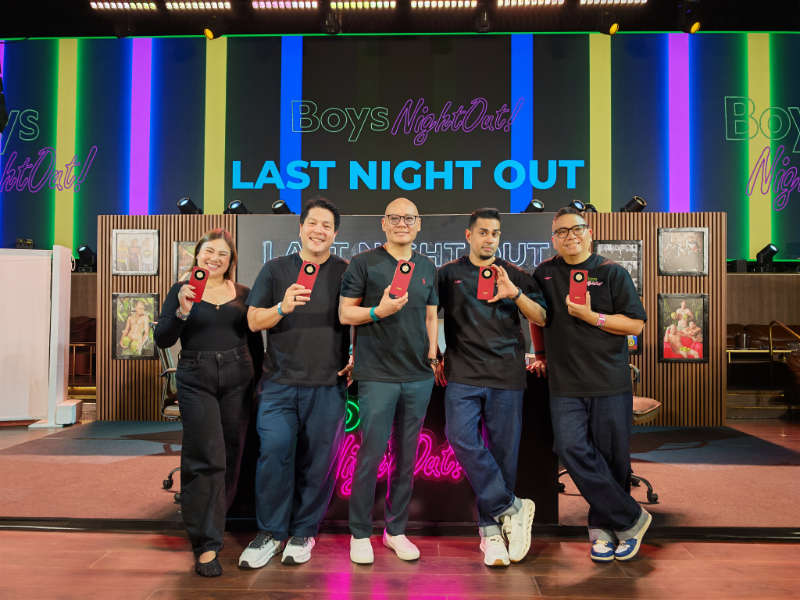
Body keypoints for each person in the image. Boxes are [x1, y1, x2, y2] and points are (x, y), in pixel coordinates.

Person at [531, 206, 650, 563]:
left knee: (612, 458)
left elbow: (635, 325)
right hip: (565, 383)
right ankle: (631, 519)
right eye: (561, 232)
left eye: (576, 229)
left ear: (589, 232)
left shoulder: (612, 272)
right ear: (554, 239)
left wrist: (591, 316)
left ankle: (603, 530)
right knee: (570, 448)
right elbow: (538, 317)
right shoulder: (544, 273)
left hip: (608, 381)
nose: (570, 236)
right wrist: (540, 353)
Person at [238, 197, 352, 569]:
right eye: (312, 223)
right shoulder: (275, 269)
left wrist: (358, 355)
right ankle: (270, 533)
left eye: (327, 226)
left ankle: (304, 532)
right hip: (278, 385)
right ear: (300, 228)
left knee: (318, 464)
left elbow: (359, 319)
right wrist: (282, 307)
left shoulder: (347, 272)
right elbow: (253, 321)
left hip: (328, 385)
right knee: (273, 455)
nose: (319, 230)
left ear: (334, 234)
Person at [436, 208, 547, 567]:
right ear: (468, 235)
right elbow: (426, 314)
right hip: (462, 374)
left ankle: (491, 531)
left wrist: (515, 294)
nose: (489, 238)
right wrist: (434, 355)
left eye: (495, 233)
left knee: (503, 454)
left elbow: (541, 316)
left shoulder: (516, 274)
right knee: (460, 438)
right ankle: (512, 507)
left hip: (506, 375)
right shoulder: (447, 274)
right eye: (483, 232)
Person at [154, 228, 264, 578]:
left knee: (231, 452)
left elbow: (255, 341)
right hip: (196, 375)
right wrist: (183, 311)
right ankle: (206, 544)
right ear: (198, 255)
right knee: (206, 455)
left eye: (222, 254)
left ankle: (215, 519)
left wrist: (261, 380)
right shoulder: (181, 290)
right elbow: (162, 338)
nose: (214, 258)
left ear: (231, 261)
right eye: (209, 252)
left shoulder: (243, 293)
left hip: (239, 376)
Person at [339, 197, 439, 565]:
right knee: (370, 455)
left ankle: (395, 531)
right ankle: (360, 533)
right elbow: (345, 313)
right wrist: (378, 311)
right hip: (377, 375)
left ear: (418, 223)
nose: (402, 223)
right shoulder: (363, 263)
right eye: (394, 218)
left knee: (407, 458)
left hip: (418, 376)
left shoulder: (427, 266)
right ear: (383, 223)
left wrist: (432, 358)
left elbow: (431, 317)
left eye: (409, 218)